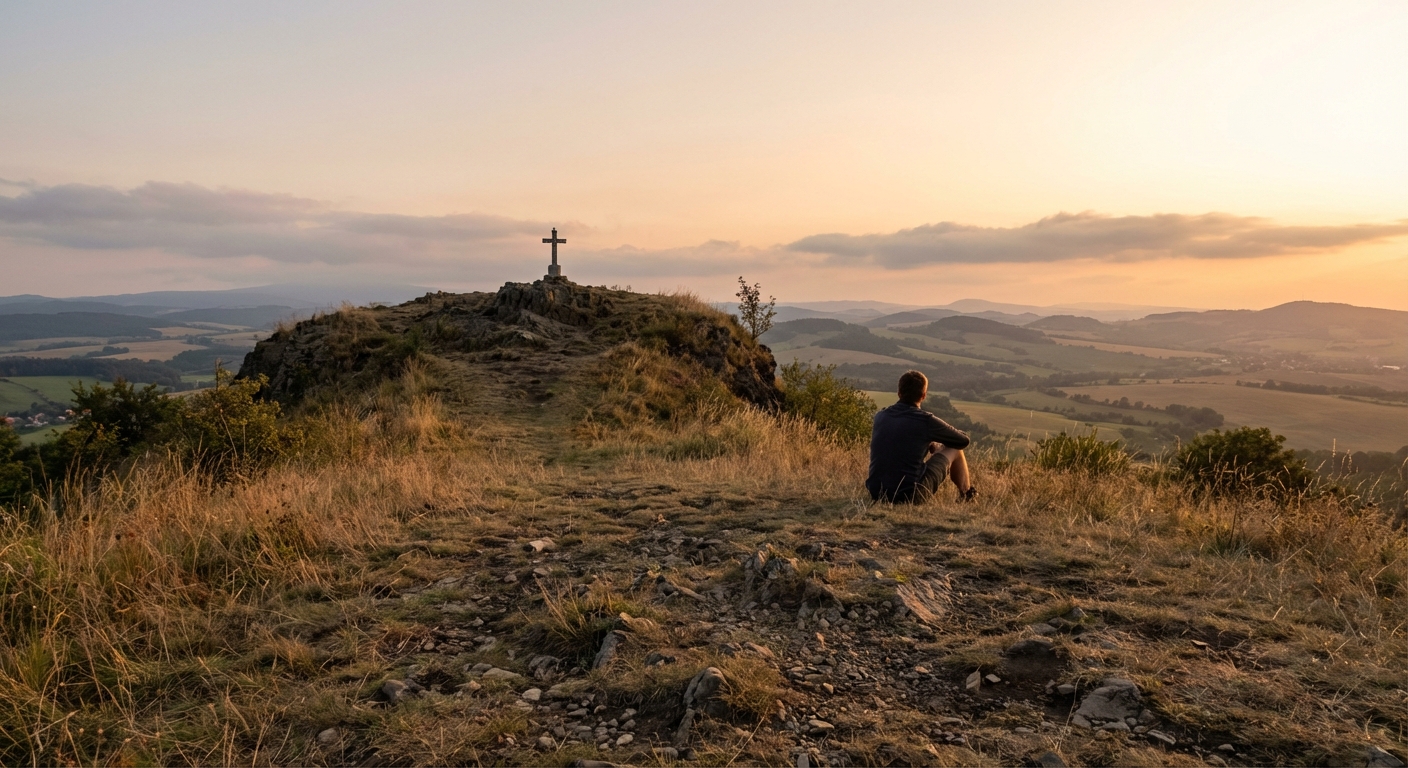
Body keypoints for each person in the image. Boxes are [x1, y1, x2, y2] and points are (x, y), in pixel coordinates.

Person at [866, 370, 977, 503]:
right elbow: (963, 440)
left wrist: (928, 442)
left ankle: (967, 496)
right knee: (955, 449)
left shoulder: (880, 416)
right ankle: (967, 495)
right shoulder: (925, 421)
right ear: (923, 396)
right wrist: (939, 446)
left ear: (899, 393)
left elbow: (901, 438)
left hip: (876, 492)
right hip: (910, 496)